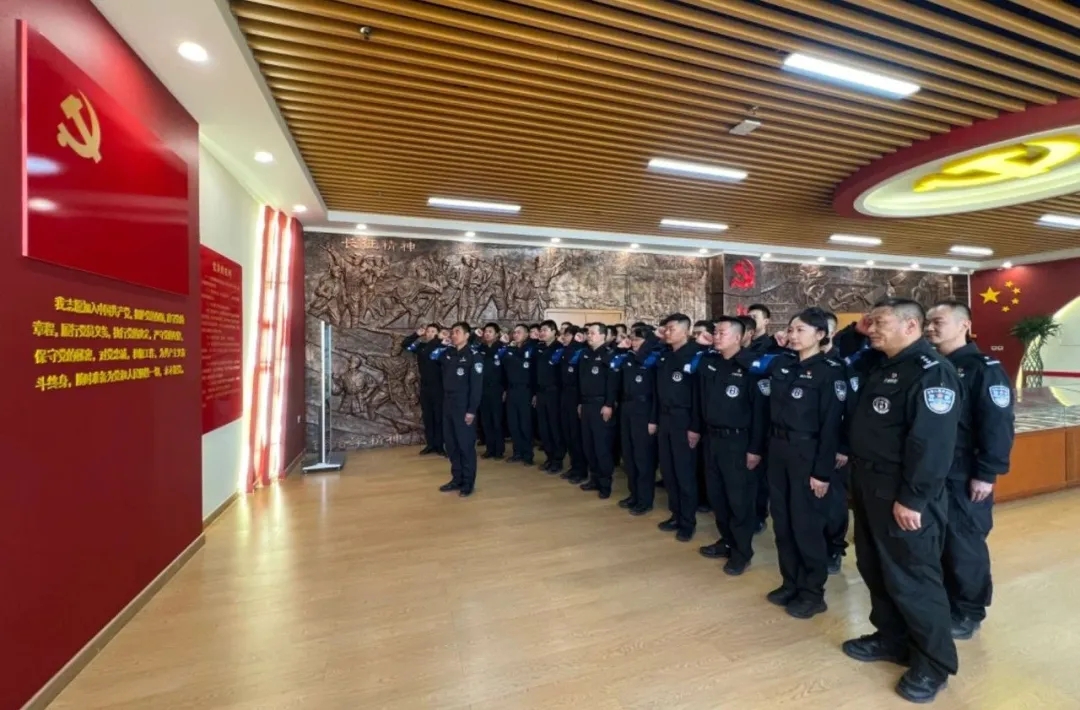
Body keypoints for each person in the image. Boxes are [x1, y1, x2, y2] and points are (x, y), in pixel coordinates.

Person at [842, 298, 961, 704]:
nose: (872, 329)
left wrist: (913, 499)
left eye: (881, 323)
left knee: (913, 578)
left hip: (903, 492)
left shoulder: (932, 372)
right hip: (869, 485)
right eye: (871, 322)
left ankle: (933, 664)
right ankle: (892, 639)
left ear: (911, 326)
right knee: (875, 568)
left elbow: (932, 445)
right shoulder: (881, 364)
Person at [925, 301, 1015, 641]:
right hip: (934, 472)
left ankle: (969, 610)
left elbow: (997, 424)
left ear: (964, 325)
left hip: (965, 473)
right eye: (928, 322)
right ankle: (946, 603)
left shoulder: (983, 369)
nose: (931, 328)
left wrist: (987, 473)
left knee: (964, 544)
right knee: (939, 542)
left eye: (939, 322)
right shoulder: (933, 366)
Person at [757, 308, 846, 620]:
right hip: (778, 450)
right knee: (782, 523)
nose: (792, 335)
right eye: (791, 329)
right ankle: (790, 582)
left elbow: (832, 427)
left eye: (800, 330)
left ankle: (812, 593)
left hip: (807, 454)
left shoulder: (830, 372)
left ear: (820, 335)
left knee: (806, 526)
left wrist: (822, 472)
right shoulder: (783, 365)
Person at [695, 316, 769, 576]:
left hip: (739, 442)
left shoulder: (752, 368)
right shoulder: (711, 363)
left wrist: (755, 449)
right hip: (712, 439)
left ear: (738, 337)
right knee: (718, 496)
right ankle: (726, 541)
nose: (716, 336)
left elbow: (760, 414)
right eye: (715, 332)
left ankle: (742, 552)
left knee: (739, 501)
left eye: (722, 333)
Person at [651, 313, 705, 542]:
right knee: (669, 471)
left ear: (686, 331)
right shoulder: (665, 356)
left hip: (684, 420)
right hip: (665, 419)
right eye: (665, 329)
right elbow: (657, 393)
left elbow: (699, 397)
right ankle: (675, 514)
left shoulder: (696, 356)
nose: (667, 332)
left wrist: (695, 427)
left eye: (671, 329)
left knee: (684, 473)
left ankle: (687, 522)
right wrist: (654, 419)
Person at [612, 325, 660, 515]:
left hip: (644, 411)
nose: (633, 342)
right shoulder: (628, 357)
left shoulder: (653, 359)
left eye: (638, 339)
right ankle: (634, 494)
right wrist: (620, 349)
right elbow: (612, 367)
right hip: (627, 409)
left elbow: (657, 394)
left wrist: (653, 419)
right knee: (629, 456)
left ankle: (645, 500)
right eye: (632, 339)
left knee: (643, 458)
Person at [435, 321, 484, 497]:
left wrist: (471, 410)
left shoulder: (474, 356)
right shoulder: (448, 353)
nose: (453, 335)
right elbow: (431, 357)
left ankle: (468, 482)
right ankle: (457, 478)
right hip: (448, 403)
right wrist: (441, 343)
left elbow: (476, 387)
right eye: (452, 332)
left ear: (467, 335)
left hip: (463, 406)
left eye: (457, 332)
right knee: (452, 445)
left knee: (465, 445)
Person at [577, 323, 618, 498]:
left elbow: (612, 383)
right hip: (586, 404)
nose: (589, 336)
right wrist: (580, 402)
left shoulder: (609, 355)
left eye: (593, 333)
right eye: (588, 333)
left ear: (603, 335)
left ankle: (605, 484)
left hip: (601, 405)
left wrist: (609, 404)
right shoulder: (585, 354)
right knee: (589, 445)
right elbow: (581, 381)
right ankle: (594, 478)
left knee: (601, 446)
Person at [402, 323, 445, 456]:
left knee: (439, 416)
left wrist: (438, 340)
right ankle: (430, 444)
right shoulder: (421, 347)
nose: (430, 333)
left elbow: (434, 353)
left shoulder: (442, 347)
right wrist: (416, 334)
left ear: (437, 334)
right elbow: (405, 345)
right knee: (428, 416)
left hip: (439, 386)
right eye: (428, 331)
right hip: (425, 386)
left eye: (433, 331)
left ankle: (440, 445)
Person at [533, 320, 565, 473]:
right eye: (541, 330)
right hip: (541, 392)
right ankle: (549, 457)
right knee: (544, 427)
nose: (542, 332)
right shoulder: (539, 348)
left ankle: (557, 460)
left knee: (554, 427)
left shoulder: (560, 349)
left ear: (554, 332)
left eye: (545, 330)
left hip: (554, 393)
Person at [502, 323, 536, 466]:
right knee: (513, 423)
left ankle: (528, 454)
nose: (515, 335)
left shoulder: (531, 349)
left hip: (525, 390)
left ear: (527, 334)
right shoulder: (510, 349)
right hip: (511, 390)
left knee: (525, 424)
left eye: (519, 332)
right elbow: (504, 371)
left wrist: (534, 393)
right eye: (514, 333)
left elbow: (533, 372)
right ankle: (517, 452)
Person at [558, 326, 589, 482]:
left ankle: (581, 470)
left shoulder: (580, 351)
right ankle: (574, 466)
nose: (563, 337)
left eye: (567, 335)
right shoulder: (566, 350)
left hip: (576, 396)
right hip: (565, 395)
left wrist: (576, 343)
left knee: (576, 435)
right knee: (568, 434)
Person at [478, 323, 507, 460]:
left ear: (497, 334)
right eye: (485, 331)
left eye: (490, 331)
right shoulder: (481, 348)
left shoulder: (502, 348)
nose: (487, 333)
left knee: (497, 420)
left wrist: (505, 389)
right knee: (486, 420)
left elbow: (506, 370)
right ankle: (490, 449)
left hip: (497, 389)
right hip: (483, 389)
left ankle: (499, 449)